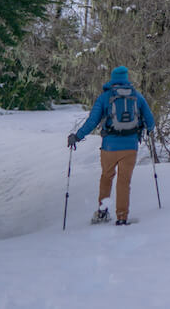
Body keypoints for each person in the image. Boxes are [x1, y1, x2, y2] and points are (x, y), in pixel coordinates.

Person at [67, 65, 155, 225]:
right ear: (126, 78)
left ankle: (102, 212)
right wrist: (148, 130)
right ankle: (122, 217)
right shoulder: (137, 96)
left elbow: (92, 121)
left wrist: (77, 136)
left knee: (106, 177)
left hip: (109, 147)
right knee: (124, 181)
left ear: (113, 78)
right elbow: (150, 121)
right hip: (130, 146)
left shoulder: (105, 97)